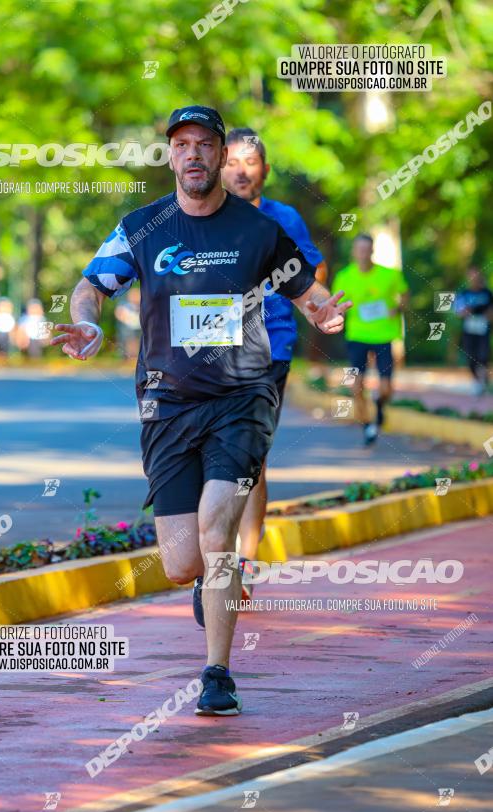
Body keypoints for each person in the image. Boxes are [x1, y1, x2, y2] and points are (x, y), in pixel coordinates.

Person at [52, 105, 350, 716]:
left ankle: (217, 673)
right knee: (182, 560)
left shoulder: (258, 230)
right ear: (170, 156)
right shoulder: (141, 225)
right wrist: (85, 322)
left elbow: (304, 286)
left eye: (204, 145)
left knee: (219, 531)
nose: (193, 155)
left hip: (242, 397)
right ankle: (212, 583)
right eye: (181, 145)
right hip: (167, 403)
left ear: (220, 155)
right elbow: (91, 286)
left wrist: (321, 308)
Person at [221, 127, 327, 574]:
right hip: (211, 346)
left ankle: (245, 559)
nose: (241, 171)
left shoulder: (284, 217)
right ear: (218, 167)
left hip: (271, 344)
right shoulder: (202, 216)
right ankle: (215, 549)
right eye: (231, 162)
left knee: (252, 454)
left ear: (264, 169)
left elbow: (313, 269)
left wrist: (318, 306)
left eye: (250, 162)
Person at [332, 234, 409, 445]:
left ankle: (380, 405)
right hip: (357, 336)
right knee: (356, 385)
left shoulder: (389, 275)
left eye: (367, 249)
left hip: (384, 335)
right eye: (359, 249)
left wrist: (398, 307)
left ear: (373, 251)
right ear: (354, 252)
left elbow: (404, 295)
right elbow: (337, 306)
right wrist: (338, 316)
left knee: (385, 388)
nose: (363, 254)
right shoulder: (344, 277)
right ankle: (367, 425)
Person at [455, 267, 493, 395]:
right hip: (469, 330)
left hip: (483, 329)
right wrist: (465, 312)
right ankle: (477, 381)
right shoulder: (464, 294)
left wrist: (488, 315)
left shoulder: (487, 293)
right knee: (471, 357)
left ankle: (483, 381)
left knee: (483, 356)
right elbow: (458, 311)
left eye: (475, 275)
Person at [114, 287, 141, 359]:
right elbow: (119, 313)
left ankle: (135, 357)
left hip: (138, 327)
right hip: (127, 327)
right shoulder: (125, 304)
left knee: (137, 341)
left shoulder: (141, 305)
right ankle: (130, 357)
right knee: (129, 341)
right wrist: (127, 320)